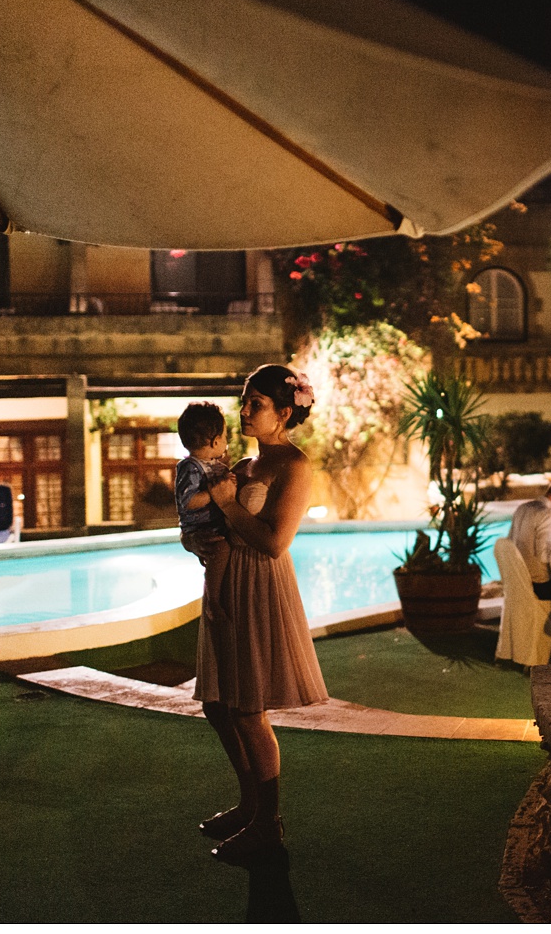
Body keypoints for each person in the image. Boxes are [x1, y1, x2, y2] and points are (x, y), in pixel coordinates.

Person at [197, 365, 328, 868]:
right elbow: (223, 520)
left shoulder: (294, 466)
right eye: (244, 400)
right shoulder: (245, 463)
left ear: (285, 413)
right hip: (225, 583)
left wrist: (229, 509)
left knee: (248, 708)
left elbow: (275, 543)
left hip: (259, 586)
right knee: (217, 702)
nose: (244, 409)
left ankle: (268, 826)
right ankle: (250, 805)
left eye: (255, 403)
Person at [175, 401, 231, 620]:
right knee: (222, 549)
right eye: (225, 437)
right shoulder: (190, 467)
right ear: (215, 441)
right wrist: (215, 494)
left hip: (210, 524)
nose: (226, 442)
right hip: (202, 526)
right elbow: (187, 501)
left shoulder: (210, 464)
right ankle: (213, 601)